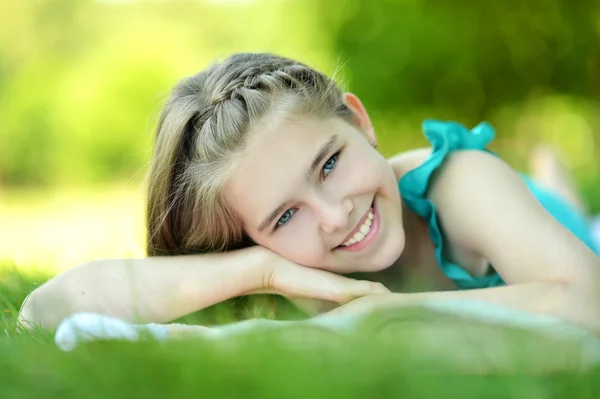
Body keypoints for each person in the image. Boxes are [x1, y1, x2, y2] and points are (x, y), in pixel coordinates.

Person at [18, 53, 600, 332]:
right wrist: (258, 270)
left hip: (533, 221)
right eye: (285, 214)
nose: (333, 216)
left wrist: (393, 315)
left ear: (360, 122)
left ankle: (556, 188)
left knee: (572, 217)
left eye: (328, 165)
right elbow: (42, 313)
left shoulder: (458, 182)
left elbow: (589, 306)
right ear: (248, 236)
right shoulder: (282, 268)